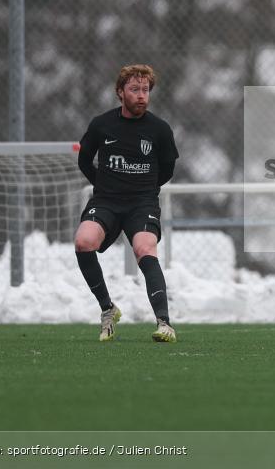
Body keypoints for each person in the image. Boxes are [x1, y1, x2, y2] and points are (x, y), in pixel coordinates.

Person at [74, 64, 179, 342]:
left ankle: (164, 323)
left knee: (145, 248)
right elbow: (84, 159)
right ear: (120, 92)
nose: (141, 95)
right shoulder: (102, 124)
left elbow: (167, 168)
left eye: (145, 90)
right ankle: (108, 309)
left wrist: (144, 189)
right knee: (84, 241)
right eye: (134, 89)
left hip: (142, 203)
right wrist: (104, 184)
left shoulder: (159, 129)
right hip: (106, 200)